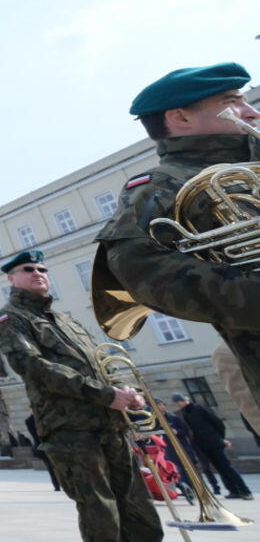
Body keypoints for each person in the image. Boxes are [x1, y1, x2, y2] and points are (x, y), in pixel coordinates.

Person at [93, 63, 260, 411]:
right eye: (232, 102)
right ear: (180, 118)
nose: (251, 112)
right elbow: (142, 268)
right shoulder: (161, 185)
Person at [0, 250, 163, 542]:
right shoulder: (11, 318)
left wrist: (126, 391)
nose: (38, 273)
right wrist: (105, 395)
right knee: (103, 521)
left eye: (42, 268)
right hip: (71, 432)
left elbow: (101, 364)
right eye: (28, 269)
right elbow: (33, 366)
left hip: (111, 427)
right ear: (12, 279)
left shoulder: (66, 320)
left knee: (142, 516)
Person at [172, 392, 253, 500]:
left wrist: (220, 438)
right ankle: (233, 491)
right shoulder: (184, 414)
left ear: (185, 400)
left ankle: (245, 491)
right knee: (220, 469)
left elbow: (218, 423)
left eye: (180, 401)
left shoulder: (199, 409)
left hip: (214, 442)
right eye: (177, 402)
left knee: (227, 467)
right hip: (202, 445)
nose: (179, 403)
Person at [25, 413, 60, 491]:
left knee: (51, 468)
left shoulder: (29, 420)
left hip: (41, 447)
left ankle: (57, 485)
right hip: (49, 445)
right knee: (57, 467)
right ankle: (61, 485)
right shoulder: (43, 417)